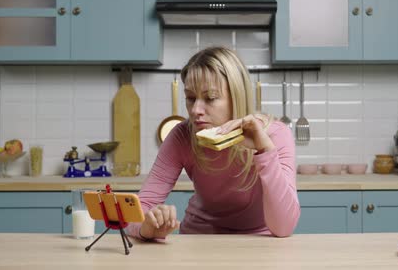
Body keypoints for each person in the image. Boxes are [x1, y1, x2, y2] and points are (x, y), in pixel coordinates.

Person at [126, 46, 300, 240]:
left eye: (210, 98)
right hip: (198, 238)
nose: (195, 110)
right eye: (190, 98)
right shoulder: (182, 135)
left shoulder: (275, 134)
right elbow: (138, 209)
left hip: (259, 240)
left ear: (237, 98)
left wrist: (265, 151)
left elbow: (284, 228)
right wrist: (146, 227)